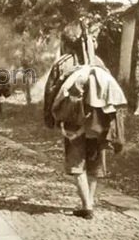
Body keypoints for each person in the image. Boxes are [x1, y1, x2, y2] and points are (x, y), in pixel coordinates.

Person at [44, 22, 126, 220]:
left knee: (76, 162)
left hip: (74, 121)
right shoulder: (98, 62)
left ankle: (87, 204)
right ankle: (89, 202)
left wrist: (50, 117)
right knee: (94, 161)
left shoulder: (63, 63)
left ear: (66, 42)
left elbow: (51, 91)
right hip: (98, 121)